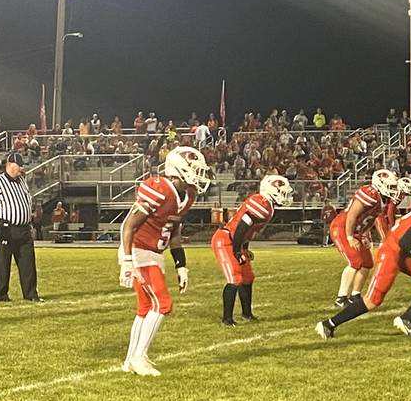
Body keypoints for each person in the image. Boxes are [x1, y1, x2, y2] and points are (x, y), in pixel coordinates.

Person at [316, 181, 411, 340]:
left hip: (402, 252)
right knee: (372, 301)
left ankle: (407, 318)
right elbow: (406, 242)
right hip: (392, 252)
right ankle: (328, 324)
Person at [117, 146, 209, 376]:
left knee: (145, 308)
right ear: (179, 169)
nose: (198, 175)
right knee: (163, 304)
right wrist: (128, 261)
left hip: (155, 253)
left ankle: (130, 360)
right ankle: (140, 356)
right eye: (194, 169)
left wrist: (181, 265)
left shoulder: (187, 195)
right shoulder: (158, 188)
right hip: (138, 250)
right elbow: (128, 226)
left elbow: (174, 230)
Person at [213, 174, 292, 326]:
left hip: (236, 241)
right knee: (235, 279)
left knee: (248, 278)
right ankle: (227, 319)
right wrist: (237, 251)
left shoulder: (267, 204)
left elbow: (248, 231)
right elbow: (242, 227)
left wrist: (244, 248)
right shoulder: (261, 203)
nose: (285, 196)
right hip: (226, 239)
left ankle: (247, 314)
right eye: (282, 192)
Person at [332, 170, 404, 306]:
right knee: (355, 262)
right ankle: (341, 298)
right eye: (391, 187)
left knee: (367, 263)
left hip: (357, 231)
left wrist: (363, 234)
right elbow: (352, 215)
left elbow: (370, 219)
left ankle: (355, 295)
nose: (393, 190)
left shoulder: (383, 198)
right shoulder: (370, 192)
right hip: (342, 227)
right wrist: (349, 236)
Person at [0, 153, 43, 303]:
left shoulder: (22, 180)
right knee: (3, 262)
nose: (20, 169)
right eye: (18, 166)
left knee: (28, 262)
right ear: (9, 165)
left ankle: (30, 294)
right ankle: (1, 295)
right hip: (6, 227)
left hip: (23, 228)